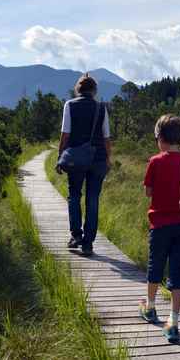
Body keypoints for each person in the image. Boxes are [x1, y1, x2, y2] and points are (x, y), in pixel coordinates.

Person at [138, 115, 180, 343]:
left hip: (160, 224)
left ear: (160, 138)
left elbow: (148, 192)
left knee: (156, 265)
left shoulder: (155, 161)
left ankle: (151, 308)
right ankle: (173, 321)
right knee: (177, 270)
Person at [56, 74, 112, 256]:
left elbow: (65, 134)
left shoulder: (70, 105)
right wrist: (108, 159)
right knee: (93, 199)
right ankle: (88, 243)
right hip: (98, 159)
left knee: (74, 195)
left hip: (76, 159)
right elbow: (106, 138)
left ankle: (76, 236)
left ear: (77, 89)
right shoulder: (101, 108)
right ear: (94, 90)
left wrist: (60, 156)